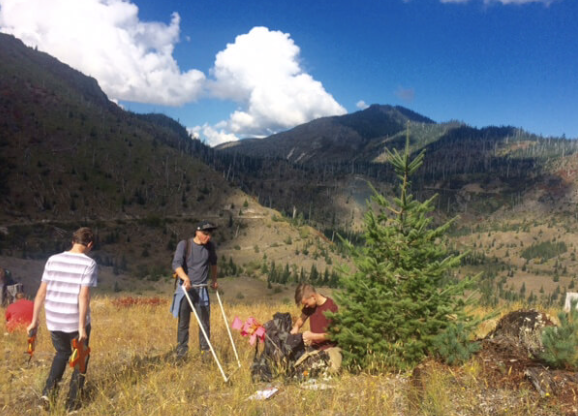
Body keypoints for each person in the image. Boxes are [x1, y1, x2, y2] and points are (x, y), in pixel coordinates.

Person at [27, 227, 98, 412]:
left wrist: (34, 320)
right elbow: (84, 297)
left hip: (54, 319)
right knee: (81, 358)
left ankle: (47, 396)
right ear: (89, 245)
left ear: (73, 241)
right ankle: (72, 404)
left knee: (61, 353)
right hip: (74, 320)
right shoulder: (88, 263)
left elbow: (41, 292)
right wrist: (82, 327)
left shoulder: (53, 260)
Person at [170, 220, 218, 360]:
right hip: (186, 289)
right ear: (197, 232)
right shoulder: (184, 245)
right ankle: (181, 352)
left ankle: (205, 352)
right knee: (183, 323)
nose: (208, 237)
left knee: (204, 323)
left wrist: (214, 280)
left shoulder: (210, 247)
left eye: (210, 234)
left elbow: (214, 264)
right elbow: (176, 264)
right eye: (205, 234)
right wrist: (185, 278)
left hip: (201, 289)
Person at [290, 283, 342, 374]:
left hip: (330, 348)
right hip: (315, 348)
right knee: (296, 369)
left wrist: (312, 336)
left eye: (306, 303)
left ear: (313, 296)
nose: (306, 306)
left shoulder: (331, 307)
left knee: (323, 371)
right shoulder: (311, 306)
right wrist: (296, 328)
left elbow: (333, 334)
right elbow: (301, 319)